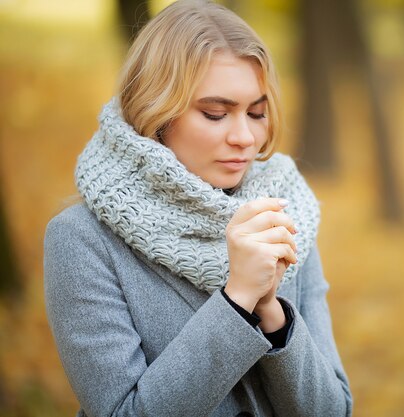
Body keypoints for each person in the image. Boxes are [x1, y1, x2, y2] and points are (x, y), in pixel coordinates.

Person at [43, 1, 352, 416]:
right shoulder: (82, 240)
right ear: (156, 112)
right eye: (215, 113)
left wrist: (271, 312)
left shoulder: (285, 213)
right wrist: (238, 297)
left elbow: (334, 410)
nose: (245, 136)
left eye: (257, 112)